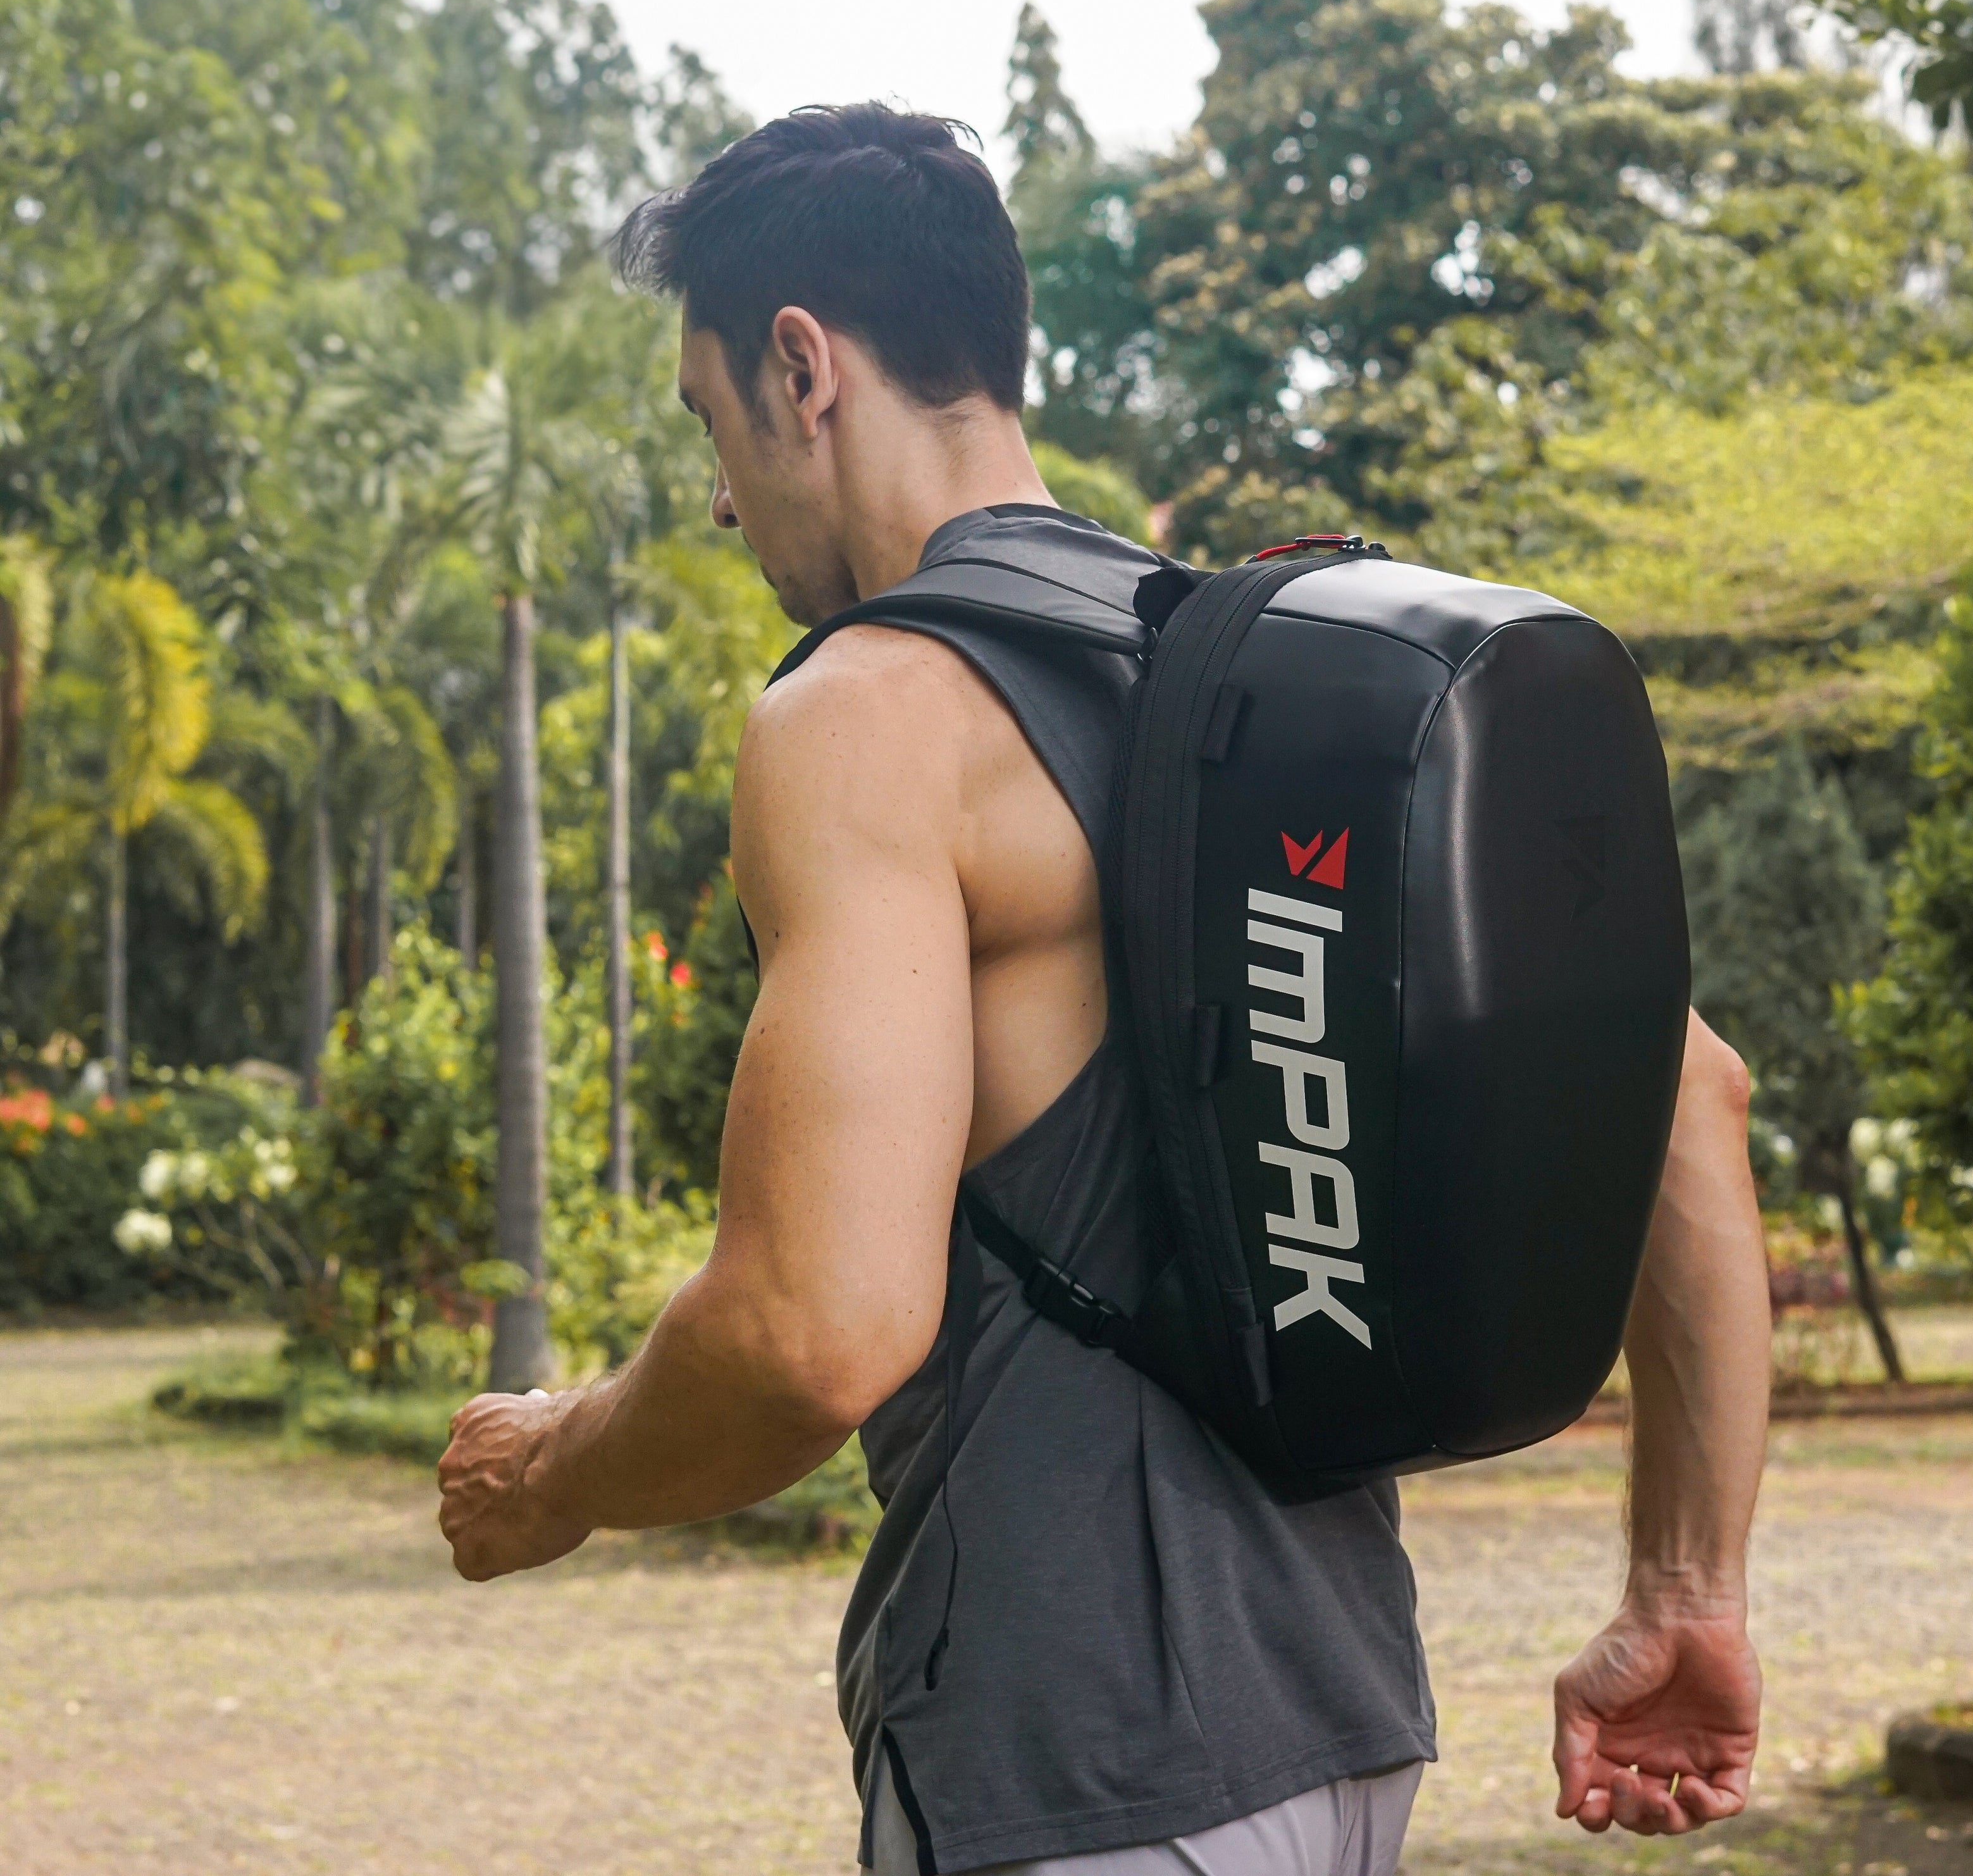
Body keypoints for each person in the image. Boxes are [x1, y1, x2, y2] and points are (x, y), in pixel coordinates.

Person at [436, 103, 1771, 1876]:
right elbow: (1687, 1101)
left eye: (710, 426)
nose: (718, 493)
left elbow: (813, 1331)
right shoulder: (1269, 685)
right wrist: (1685, 1588)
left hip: (1064, 1759)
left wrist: (558, 1469)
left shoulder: (872, 715)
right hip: (1341, 1732)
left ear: (801, 368)